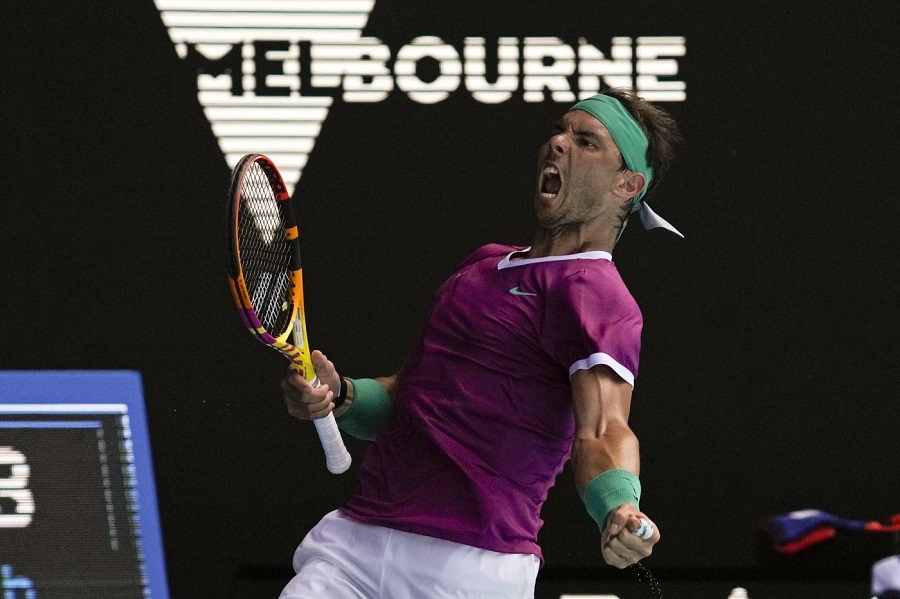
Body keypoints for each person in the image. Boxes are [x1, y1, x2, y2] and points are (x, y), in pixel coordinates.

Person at [279, 87, 682, 599]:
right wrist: (340, 396)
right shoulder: (483, 264)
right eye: (559, 130)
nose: (558, 143)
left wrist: (618, 506)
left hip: (468, 568)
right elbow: (414, 399)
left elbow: (603, 429)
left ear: (627, 184)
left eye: (586, 141)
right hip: (354, 545)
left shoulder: (593, 292)